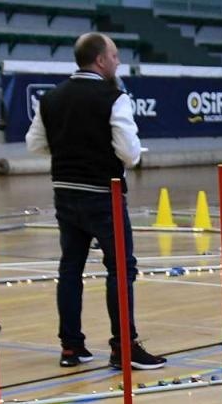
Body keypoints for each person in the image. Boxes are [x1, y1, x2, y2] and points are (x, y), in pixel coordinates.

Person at [26, 33, 164, 371]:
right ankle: (124, 347)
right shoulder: (114, 97)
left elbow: (34, 144)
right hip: (104, 195)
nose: (118, 62)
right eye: (114, 56)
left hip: (65, 194)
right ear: (101, 60)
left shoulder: (52, 98)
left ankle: (72, 347)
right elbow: (130, 154)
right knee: (120, 269)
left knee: (70, 268)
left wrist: (69, 149)